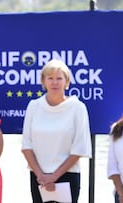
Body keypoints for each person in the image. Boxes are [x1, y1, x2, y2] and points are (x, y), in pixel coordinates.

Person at [21, 59, 92, 203]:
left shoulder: (78, 107)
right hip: (38, 177)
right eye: (50, 78)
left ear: (67, 82)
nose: (55, 82)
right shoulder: (34, 106)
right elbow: (26, 146)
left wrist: (53, 177)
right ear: (43, 81)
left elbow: (79, 148)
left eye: (59, 78)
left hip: (67, 176)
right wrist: (41, 176)